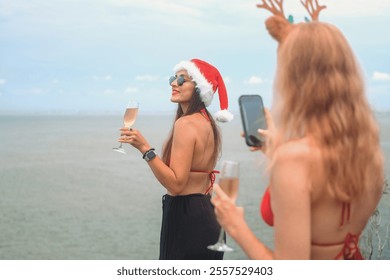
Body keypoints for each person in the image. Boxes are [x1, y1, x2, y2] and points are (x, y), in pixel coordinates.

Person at [212, 1, 384, 260]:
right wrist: (277, 151)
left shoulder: (294, 159)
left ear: (294, 80)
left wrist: (235, 224)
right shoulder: (370, 153)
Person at [118, 58, 234, 260]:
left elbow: (177, 184)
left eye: (182, 80)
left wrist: (145, 149)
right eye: (174, 78)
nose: (174, 83)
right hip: (206, 214)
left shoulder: (186, 124)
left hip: (186, 220)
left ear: (199, 88)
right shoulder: (207, 123)